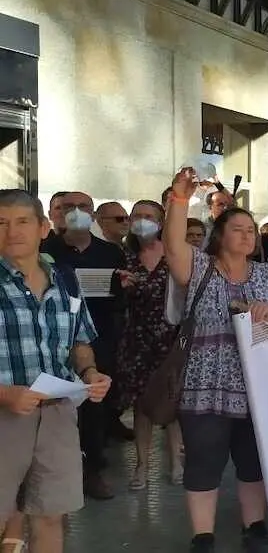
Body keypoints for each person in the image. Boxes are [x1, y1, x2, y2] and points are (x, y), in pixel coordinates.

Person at [165, 169, 268, 552]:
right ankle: (203, 536)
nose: (247, 235)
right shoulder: (199, 268)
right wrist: (178, 199)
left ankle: (253, 526)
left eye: (251, 230)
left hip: (259, 383)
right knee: (204, 461)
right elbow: (173, 244)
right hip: (205, 384)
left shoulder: (263, 273)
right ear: (219, 235)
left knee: (253, 460)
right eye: (238, 228)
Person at [0, 189, 111, 553]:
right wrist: (6, 394)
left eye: (22, 222)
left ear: (44, 228)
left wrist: (91, 371)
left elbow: (80, 339)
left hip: (57, 414)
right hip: (4, 416)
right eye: (1, 223)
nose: (11, 231)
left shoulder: (65, 278)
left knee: (51, 514)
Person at [40, 191, 128, 499]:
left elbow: (120, 297)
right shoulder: (44, 251)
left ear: (93, 214)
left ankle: (92, 471)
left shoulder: (110, 252)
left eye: (83, 207)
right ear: (55, 214)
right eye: (68, 207)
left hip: (97, 339)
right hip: (51, 343)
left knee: (94, 408)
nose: (76, 212)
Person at [116, 200, 184, 491]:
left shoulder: (174, 254)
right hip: (136, 339)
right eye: (137, 216)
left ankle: (177, 462)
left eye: (149, 216)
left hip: (170, 337)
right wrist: (122, 288)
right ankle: (142, 464)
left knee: (172, 403)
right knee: (142, 405)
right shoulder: (123, 255)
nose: (142, 221)